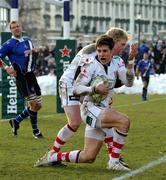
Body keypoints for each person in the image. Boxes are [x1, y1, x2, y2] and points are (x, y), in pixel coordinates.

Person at [34, 27, 137, 168]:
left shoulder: (115, 60)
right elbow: (79, 75)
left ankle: (114, 157)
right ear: (115, 41)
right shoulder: (93, 53)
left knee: (103, 121)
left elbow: (124, 81)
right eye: (123, 44)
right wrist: (91, 93)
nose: (124, 48)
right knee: (75, 122)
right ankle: (53, 152)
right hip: (70, 83)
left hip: (87, 88)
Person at [0, 21, 43, 139]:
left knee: (38, 105)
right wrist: (6, 67)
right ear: (11, 30)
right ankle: (35, 131)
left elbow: (29, 55)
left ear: (21, 27)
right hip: (21, 77)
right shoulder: (8, 44)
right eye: (13, 28)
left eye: (18, 26)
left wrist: (35, 52)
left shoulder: (28, 40)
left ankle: (16, 121)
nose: (16, 29)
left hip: (31, 75)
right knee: (33, 104)